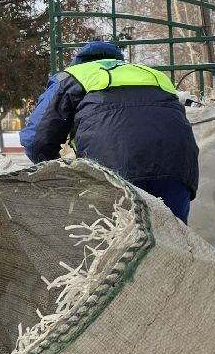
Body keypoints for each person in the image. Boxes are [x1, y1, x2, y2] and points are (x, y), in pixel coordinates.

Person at [19, 40, 200, 221]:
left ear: (79, 61)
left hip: (112, 170)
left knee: (114, 241)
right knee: (174, 241)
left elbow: (36, 140)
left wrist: (57, 175)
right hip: (177, 164)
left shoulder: (73, 76)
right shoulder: (154, 75)